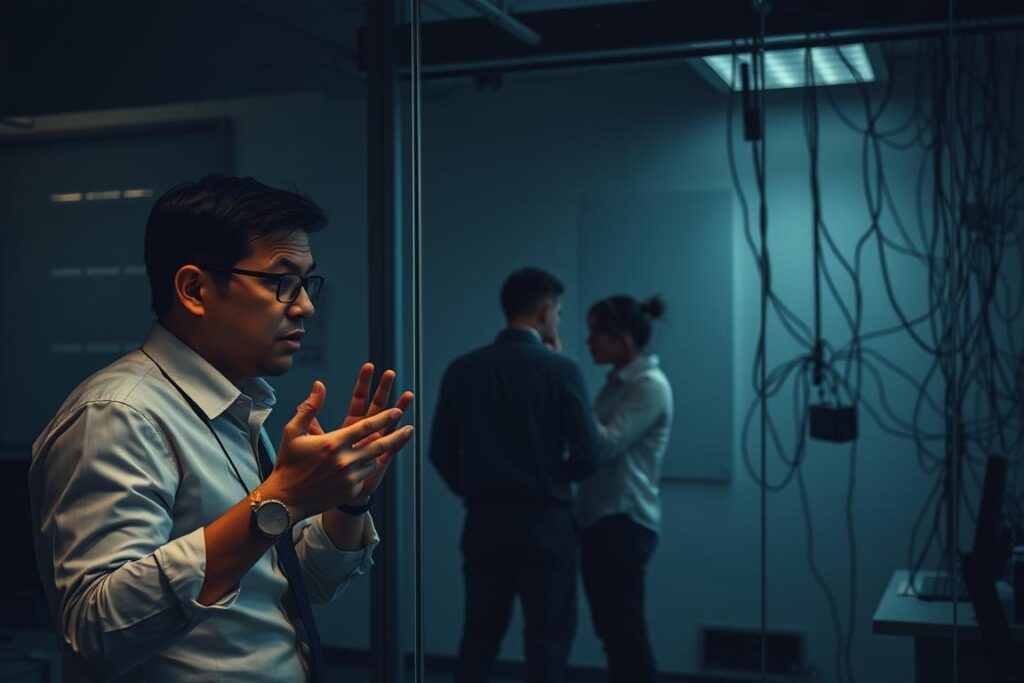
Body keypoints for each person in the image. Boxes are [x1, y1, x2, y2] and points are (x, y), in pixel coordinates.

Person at [29, 175, 415, 682]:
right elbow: (97, 631)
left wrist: (347, 500)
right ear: (194, 289)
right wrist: (279, 503)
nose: (305, 306)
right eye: (282, 281)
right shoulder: (119, 414)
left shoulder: (237, 407)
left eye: (306, 282)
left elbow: (299, 586)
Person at [429, 267, 600, 683]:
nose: (558, 321)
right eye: (558, 312)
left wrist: (475, 487)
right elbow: (588, 455)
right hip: (547, 521)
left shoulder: (463, 369)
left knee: (479, 637)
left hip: (486, 519)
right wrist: (551, 478)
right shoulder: (562, 370)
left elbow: (440, 452)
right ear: (544, 313)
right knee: (548, 642)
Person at [577, 294, 673, 683]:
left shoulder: (648, 385)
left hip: (624, 520)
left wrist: (570, 395)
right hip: (602, 520)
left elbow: (604, 445)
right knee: (614, 633)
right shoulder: (616, 384)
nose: (589, 341)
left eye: (598, 331)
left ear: (625, 336)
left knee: (625, 633)